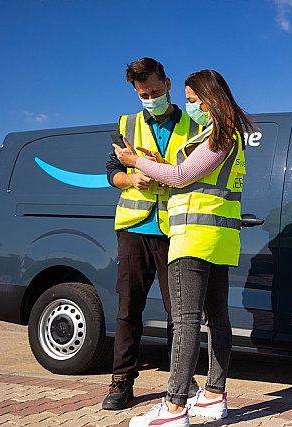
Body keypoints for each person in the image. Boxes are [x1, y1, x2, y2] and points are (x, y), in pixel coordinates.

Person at [113, 69, 253, 426]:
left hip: (193, 236)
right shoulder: (226, 135)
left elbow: (180, 177)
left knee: (185, 321)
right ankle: (212, 396)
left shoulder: (220, 136)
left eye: (193, 101)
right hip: (219, 238)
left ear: (209, 99)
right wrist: (157, 164)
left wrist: (136, 162)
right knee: (217, 320)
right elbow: (190, 173)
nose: (189, 106)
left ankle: (174, 407)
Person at [103, 57, 201, 410]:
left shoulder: (192, 125)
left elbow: (193, 173)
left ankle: (182, 379)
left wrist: (152, 167)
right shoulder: (126, 124)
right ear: (134, 91)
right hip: (134, 228)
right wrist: (131, 177)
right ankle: (121, 382)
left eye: (156, 91)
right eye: (143, 93)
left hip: (176, 229)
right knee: (128, 309)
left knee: (181, 313)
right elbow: (112, 171)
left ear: (169, 84)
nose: (150, 98)